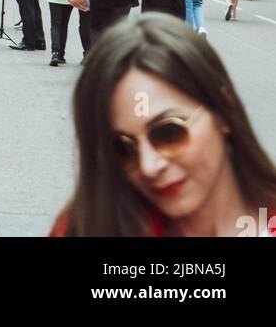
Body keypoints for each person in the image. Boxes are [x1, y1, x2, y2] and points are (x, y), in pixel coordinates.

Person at [50, 14, 276, 237]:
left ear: (223, 110)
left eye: (168, 133)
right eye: (121, 149)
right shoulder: (86, 228)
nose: (149, 166)